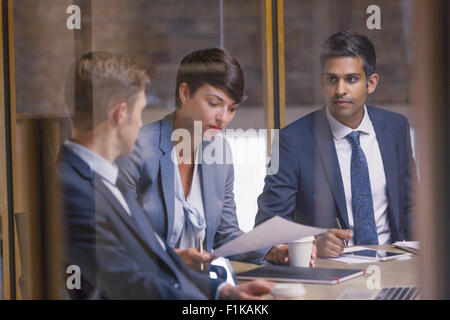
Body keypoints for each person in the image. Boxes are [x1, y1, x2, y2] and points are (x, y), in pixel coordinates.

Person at [58, 51, 274, 299]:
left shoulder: (105, 177)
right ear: (120, 113)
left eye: (231, 108)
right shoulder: (73, 186)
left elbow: (153, 256)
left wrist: (222, 292)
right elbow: (130, 279)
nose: (141, 124)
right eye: (140, 112)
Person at [116, 48, 314, 270]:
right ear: (185, 93)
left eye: (232, 108)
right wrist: (173, 259)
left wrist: (272, 251)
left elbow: (225, 235)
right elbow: (121, 241)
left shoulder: (220, 151)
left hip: (201, 285)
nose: (224, 118)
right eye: (214, 103)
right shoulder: (136, 147)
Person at [255, 30, 417, 260]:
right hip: (330, 270)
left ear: (371, 83)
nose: (340, 90)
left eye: (351, 79)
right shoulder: (289, 141)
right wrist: (312, 243)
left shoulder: (396, 128)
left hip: (394, 262)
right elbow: (268, 225)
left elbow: (411, 206)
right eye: (332, 79)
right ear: (322, 83)